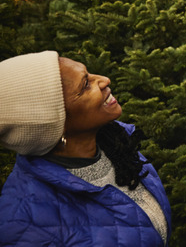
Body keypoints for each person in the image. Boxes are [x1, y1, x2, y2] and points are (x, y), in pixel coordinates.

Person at [0, 51, 171, 246]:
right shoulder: (25, 225)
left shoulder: (118, 145)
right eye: (85, 85)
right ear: (55, 124)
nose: (105, 80)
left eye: (88, 74)